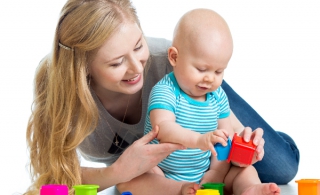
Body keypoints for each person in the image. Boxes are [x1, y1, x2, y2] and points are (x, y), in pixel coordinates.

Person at [25, 0, 299, 195]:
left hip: (199, 106)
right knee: (130, 183)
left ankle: (278, 139)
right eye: (117, 62)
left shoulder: (173, 63)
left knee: (282, 167)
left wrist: (247, 145)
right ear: (84, 69)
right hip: (154, 169)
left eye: (138, 45)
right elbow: (57, 175)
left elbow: (226, 133)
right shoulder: (60, 93)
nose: (137, 67)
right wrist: (118, 172)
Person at [141, 8, 280, 195]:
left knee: (245, 170)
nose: (210, 79)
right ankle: (176, 190)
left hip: (205, 174)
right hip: (164, 173)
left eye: (218, 71)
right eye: (201, 69)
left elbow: (224, 143)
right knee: (142, 174)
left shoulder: (218, 96)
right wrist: (199, 140)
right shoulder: (165, 91)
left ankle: (249, 189)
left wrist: (216, 172)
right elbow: (163, 130)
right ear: (174, 57)